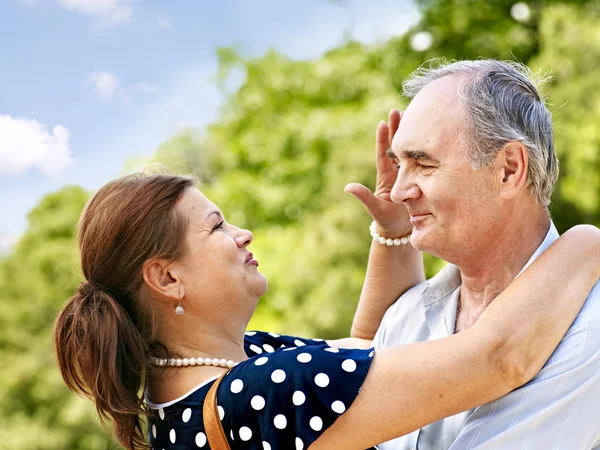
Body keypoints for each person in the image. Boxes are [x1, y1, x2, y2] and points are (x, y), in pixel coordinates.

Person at [53, 169, 600, 450]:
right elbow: (497, 359)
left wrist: (391, 236)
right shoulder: (258, 393)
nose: (241, 233)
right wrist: (585, 239)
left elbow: (367, 358)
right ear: (167, 278)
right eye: (217, 226)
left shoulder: (198, 389)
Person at [345, 59, 600, 450]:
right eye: (399, 165)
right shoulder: (405, 315)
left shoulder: (590, 327)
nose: (397, 192)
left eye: (423, 163)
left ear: (509, 170)